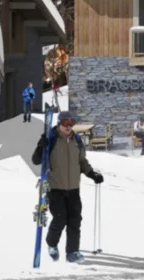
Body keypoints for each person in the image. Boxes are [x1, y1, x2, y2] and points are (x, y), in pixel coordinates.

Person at [32, 110, 104, 264]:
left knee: (75, 220)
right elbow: (36, 160)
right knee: (60, 218)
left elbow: (82, 161)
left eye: (71, 124)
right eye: (65, 123)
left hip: (73, 188)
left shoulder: (76, 140)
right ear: (59, 123)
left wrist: (92, 174)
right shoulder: (50, 139)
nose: (68, 126)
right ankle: (52, 244)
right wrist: (40, 147)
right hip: (55, 187)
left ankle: (72, 252)